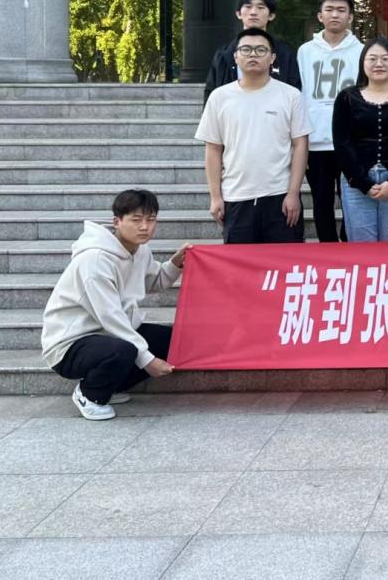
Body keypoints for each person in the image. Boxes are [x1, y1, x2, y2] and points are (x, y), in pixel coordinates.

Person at [42, 189, 192, 420]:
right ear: (117, 222)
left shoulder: (139, 250)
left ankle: (110, 386)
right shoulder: (94, 260)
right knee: (125, 350)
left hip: (107, 335)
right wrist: (147, 360)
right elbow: (110, 316)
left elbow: (155, 281)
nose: (145, 227)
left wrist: (176, 263)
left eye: (151, 220)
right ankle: (89, 394)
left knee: (171, 342)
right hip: (70, 344)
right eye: (136, 220)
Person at [195, 27, 310, 243]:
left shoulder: (290, 96)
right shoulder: (219, 97)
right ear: (235, 56)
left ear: (272, 58)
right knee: (239, 263)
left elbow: (300, 145)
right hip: (236, 196)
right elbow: (213, 149)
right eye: (246, 49)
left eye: (260, 50)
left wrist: (294, 193)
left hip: (280, 197)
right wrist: (215, 196)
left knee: (284, 261)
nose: (253, 55)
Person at [333, 38, 388, 242]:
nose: (379, 64)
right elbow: (342, 143)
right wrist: (362, 182)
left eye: (385, 59)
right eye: (372, 59)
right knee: (362, 249)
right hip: (357, 182)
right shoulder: (347, 98)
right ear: (362, 63)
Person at [297, 0, 361, 242]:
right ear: (320, 16)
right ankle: (327, 249)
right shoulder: (305, 51)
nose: (335, 15)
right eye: (330, 10)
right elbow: (298, 95)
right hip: (315, 142)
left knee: (352, 201)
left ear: (351, 17)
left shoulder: (362, 51)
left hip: (351, 141)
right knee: (321, 201)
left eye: (341, 10)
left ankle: (349, 249)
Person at [203, 0, 302, 102]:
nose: (253, 12)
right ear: (238, 14)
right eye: (248, 6)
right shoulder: (224, 55)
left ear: (271, 15)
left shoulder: (284, 53)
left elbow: (294, 90)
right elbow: (211, 94)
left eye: (260, 7)